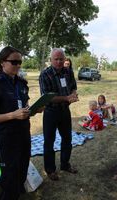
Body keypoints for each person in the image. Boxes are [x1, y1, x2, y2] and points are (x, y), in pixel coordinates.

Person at [0, 46, 35, 200]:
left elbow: (23, 108)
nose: (18, 65)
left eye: (20, 62)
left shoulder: (21, 83)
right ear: (2, 63)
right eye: (14, 62)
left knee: (22, 171)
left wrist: (34, 109)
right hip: (7, 138)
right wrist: (12, 115)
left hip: (24, 133)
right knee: (10, 176)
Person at [39, 48, 78, 181]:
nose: (59, 61)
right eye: (56, 59)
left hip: (65, 111)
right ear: (51, 60)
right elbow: (47, 97)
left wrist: (73, 93)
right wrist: (67, 98)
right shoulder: (45, 74)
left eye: (61, 59)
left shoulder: (68, 71)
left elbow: (73, 86)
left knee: (67, 139)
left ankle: (65, 164)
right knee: (49, 142)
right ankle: (50, 170)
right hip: (51, 112)